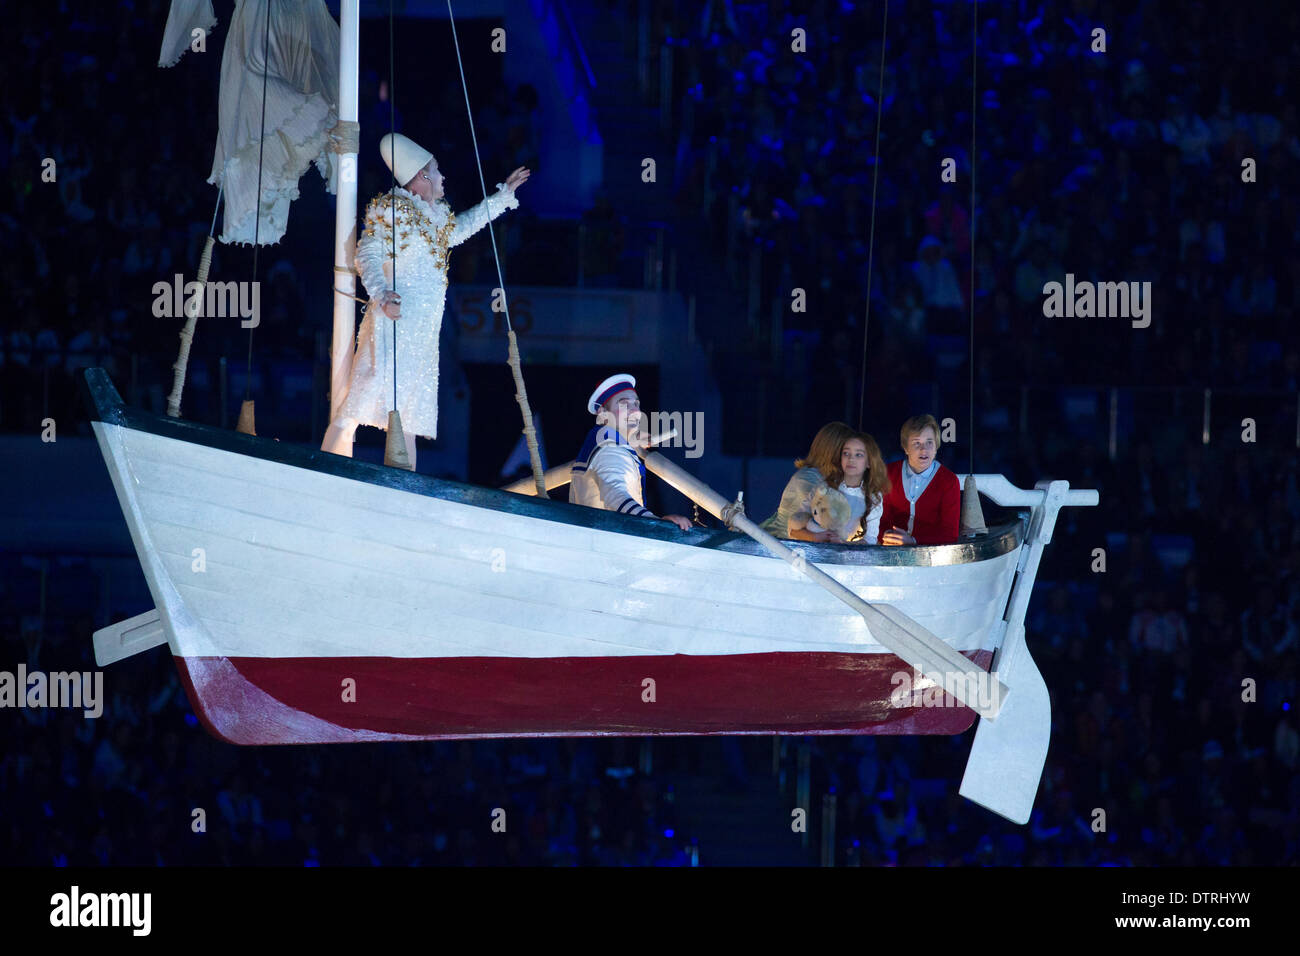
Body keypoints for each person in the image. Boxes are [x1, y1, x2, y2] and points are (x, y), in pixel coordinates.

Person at [322, 132, 529, 468]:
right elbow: (368, 254)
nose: (443, 176)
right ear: (422, 177)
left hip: (423, 332)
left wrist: (502, 197)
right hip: (397, 322)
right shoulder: (394, 211)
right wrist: (381, 293)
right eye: (437, 170)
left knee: (409, 414)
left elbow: (462, 228)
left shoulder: (433, 217)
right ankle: (328, 467)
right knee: (362, 397)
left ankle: (403, 485)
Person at [568, 373, 692, 531]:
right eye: (624, 405)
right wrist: (655, 523)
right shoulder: (610, 447)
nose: (635, 411)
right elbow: (616, 496)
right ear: (602, 413)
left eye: (636, 404)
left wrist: (632, 441)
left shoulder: (603, 441)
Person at [759, 421, 856, 542]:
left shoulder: (830, 478)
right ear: (833, 451)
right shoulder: (808, 478)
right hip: (780, 546)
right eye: (847, 452)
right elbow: (825, 522)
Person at [878, 414, 959, 546]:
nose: (924, 449)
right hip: (890, 551)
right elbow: (880, 518)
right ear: (906, 448)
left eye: (929, 442)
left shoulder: (949, 481)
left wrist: (914, 541)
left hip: (931, 557)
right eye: (917, 443)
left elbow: (950, 533)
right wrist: (889, 537)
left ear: (936, 447)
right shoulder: (888, 474)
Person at [837, 430, 890, 544]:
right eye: (846, 453)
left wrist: (844, 546)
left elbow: (870, 539)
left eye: (858, 455)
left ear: (869, 462)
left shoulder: (873, 496)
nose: (851, 459)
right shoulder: (828, 487)